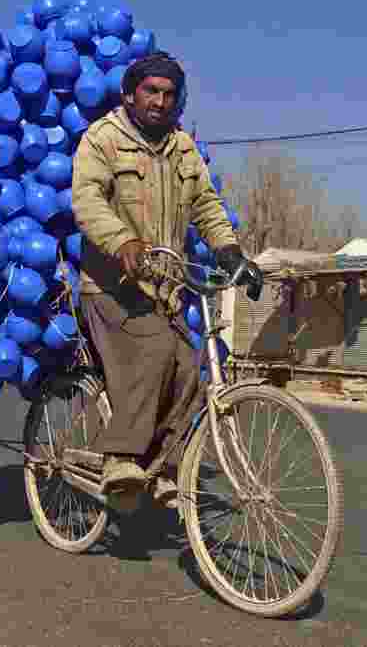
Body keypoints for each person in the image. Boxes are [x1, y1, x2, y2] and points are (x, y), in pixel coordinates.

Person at [71, 52, 264, 507]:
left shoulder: (182, 147)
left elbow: (205, 205)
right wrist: (123, 243)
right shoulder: (103, 140)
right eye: (150, 91)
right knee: (156, 349)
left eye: (169, 94)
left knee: (193, 363)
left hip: (163, 288)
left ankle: (162, 466)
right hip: (112, 288)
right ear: (129, 94)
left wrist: (231, 253)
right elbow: (88, 201)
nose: (159, 101)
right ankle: (120, 456)